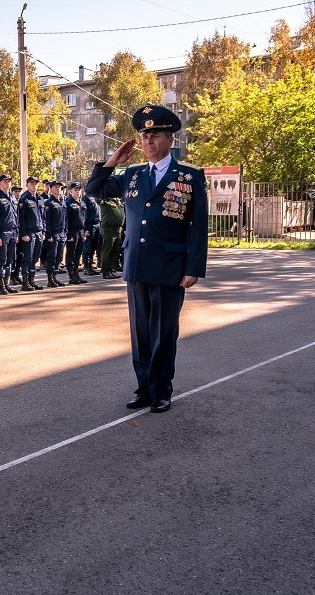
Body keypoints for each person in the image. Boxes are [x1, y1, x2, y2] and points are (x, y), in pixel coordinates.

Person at [85, 104, 208, 414]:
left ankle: (161, 390)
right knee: (140, 334)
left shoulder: (190, 175)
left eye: (154, 137)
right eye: (144, 137)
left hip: (170, 267)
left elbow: (198, 226)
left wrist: (194, 268)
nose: (148, 143)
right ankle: (144, 387)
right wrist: (114, 160)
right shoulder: (134, 174)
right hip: (137, 264)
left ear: (169, 140)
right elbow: (94, 190)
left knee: (164, 333)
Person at [0, 174, 19, 295]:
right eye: (5, 181)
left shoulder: (12, 198)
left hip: (13, 232)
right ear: (0, 183)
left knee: (10, 260)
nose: (7, 183)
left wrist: (17, 233)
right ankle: (1, 285)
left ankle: (7, 283)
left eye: (9, 181)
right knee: (2, 260)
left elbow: (15, 217)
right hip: (3, 232)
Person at [18, 176, 45, 291]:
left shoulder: (39, 199)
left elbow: (43, 217)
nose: (34, 185)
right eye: (32, 183)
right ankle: (25, 282)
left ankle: (31, 280)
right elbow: (21, 219)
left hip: (39, 233)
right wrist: (23, 233)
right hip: (29, 233)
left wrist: (43, 231)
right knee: (27, 258)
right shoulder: (24, 199)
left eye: (36, 183)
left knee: (35, 258)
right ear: (27, 185)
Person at [100, 172, 125, 279]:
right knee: (107, 250)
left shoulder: (118, 200)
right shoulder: (105, 199)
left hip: (118, 228)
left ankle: (112, 270)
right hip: (108, 228)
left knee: (115, 250)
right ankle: (105, 271)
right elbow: (96, 194)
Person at [44, 181, 68, 288]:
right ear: (51, 188)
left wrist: (66, 232)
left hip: (62, 233)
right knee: (52, 257)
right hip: (53, 234)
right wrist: (48, 234)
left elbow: (65, 219)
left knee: (59, 256)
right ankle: (50, 279)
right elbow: (46, 220)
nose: (58, 189)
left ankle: (55, 276)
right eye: (56, 187)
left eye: (60, 187)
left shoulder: (62, 201)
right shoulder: (49, 202)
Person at [65, 182, 88, 285]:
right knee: (71, 254)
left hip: (81, 231)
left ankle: (77, 274)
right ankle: (71, 276)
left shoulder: (82, 203)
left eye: (79, 190)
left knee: (78, 254)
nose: (78, 192)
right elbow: (66, 220)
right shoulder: (68, 203)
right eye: (75, 190)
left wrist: (85, 231)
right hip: (72, 232)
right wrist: (68, 234)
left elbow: (84, 218)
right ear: (70, 191)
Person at [81, 186, 101, 275]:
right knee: (87, 246)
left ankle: (90, 265)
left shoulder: (96, 197)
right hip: (90, 224)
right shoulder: (86, 198)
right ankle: (86, 266)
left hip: (97, 224)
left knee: (94, 246)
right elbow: (84, 214)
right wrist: (85, 228)